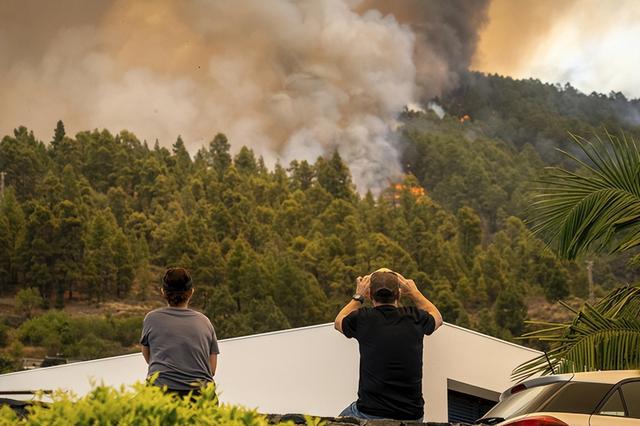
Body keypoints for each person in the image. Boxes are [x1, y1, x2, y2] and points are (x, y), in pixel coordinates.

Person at [334, 268, 443, 421]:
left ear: (370, 294)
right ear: (398, 294)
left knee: (337, 421)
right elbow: (437, 318)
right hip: (411, 415)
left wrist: (358, 296)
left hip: (370, 411)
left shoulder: (363, 319)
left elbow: (338, 321)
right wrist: (414, 292)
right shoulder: (415, 317)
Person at [140, 267, 219, 397]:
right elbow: (212, 369)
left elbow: (148, 355)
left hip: (161, 393)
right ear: (191, 292)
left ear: (163, 292)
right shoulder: (204, 322)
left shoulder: (152, 318)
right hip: (201, 397)